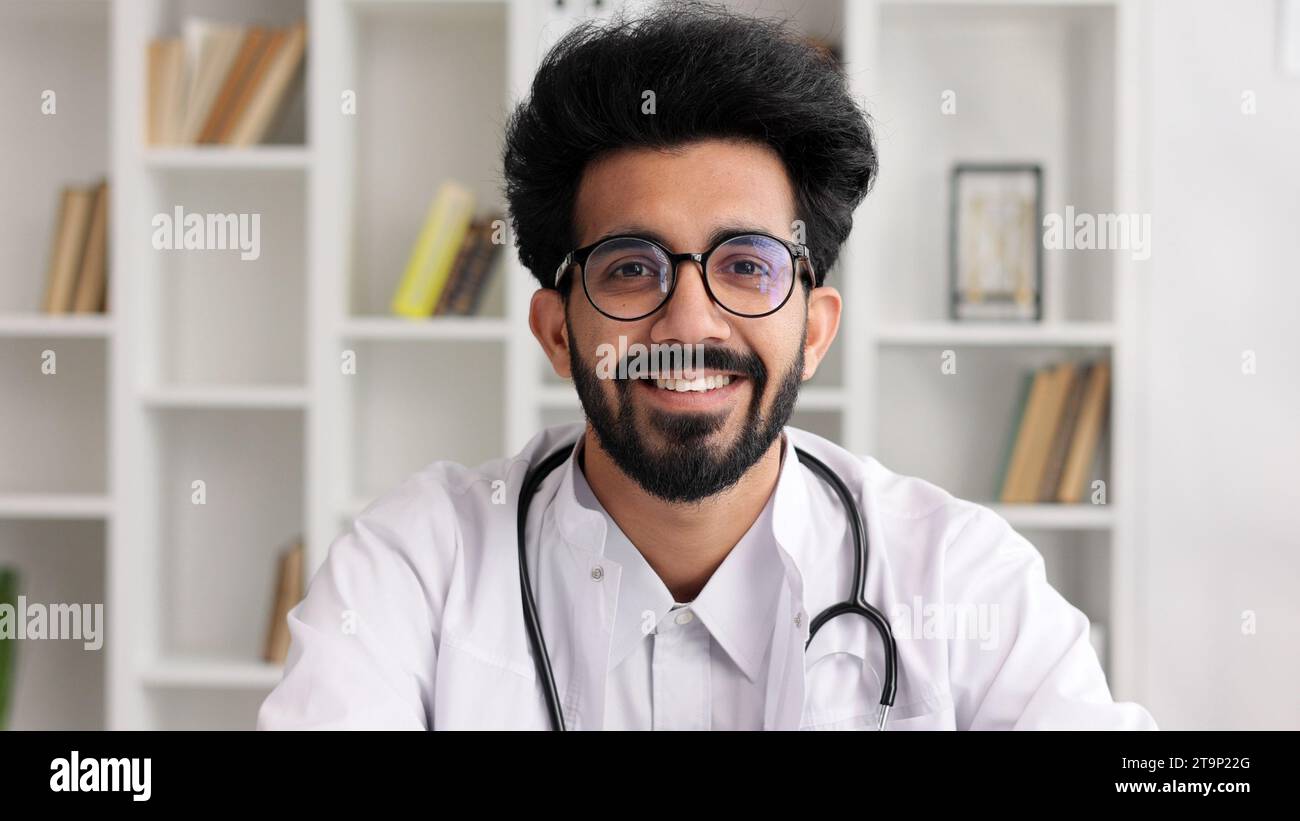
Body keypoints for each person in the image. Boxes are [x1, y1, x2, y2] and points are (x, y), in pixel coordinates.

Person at [258, 1, 1157, 730]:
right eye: (629, 267)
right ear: (557, 330)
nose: (690, 317)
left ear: (813, 327)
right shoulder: (415, 566)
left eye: (746, 265)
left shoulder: (957, 576)